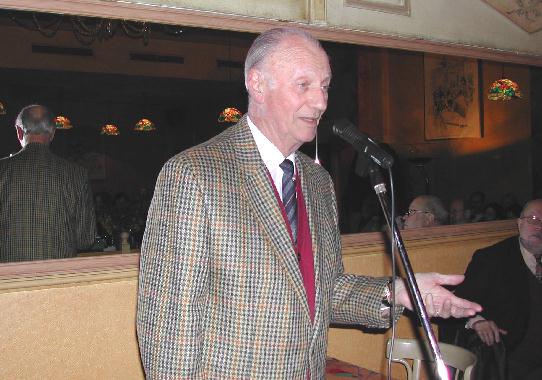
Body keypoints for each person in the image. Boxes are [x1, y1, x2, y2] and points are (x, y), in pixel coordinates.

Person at [137, 27, 481, 379]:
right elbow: (167, 328)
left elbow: (325, 290)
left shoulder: (318, 182)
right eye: (304, 85)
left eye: (325, 85)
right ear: (257, 84)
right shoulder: (194, 174)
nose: (320, 102)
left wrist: (398, 292)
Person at [444, 199, 542, 379]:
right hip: (510, 360)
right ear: (519, 223)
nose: (539, 227)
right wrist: (477, 321)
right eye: (533, 219)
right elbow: (459, 304)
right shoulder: (492, 259)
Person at [0, 105, 96, 262]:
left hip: (9, 280)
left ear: (19, 131)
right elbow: (86, 239)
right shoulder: (76, 175)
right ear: (52, 133)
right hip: (57, 278)